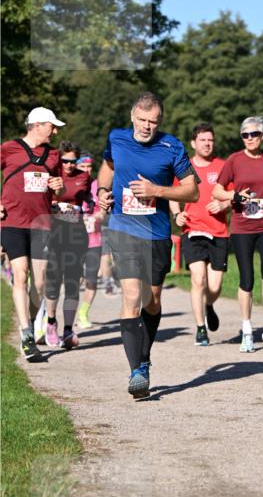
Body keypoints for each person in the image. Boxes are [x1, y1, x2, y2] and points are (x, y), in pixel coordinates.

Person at [97, 92, 199, 399]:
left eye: (153, 122)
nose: (146, 127)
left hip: (156, 233)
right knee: (131, 296)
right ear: (132, 117)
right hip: (124, 227)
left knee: (151, 300)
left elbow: (192, 191)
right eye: (142, 120)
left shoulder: (172, 146)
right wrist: (102, 190)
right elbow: (108, 167)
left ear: (160, 121)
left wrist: (157, 190)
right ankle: (137, 371)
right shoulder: (116, 138)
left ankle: (145, 356)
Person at [213, 116, 263, 354]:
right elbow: (217, 190)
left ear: (262, 136)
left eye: (254, 134)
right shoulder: (234, 160)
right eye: (245, 135)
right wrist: (235, 196)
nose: (250, 138)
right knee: (246, 278)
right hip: (243, 225)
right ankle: (246, 331)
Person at [0, 107, 65, 360]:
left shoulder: (54, 155)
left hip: (41, 224)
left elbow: (55, 190)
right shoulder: (9, 148)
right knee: (21, 275)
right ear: (37, 125)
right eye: (52, 125)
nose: (55, 130)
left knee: (39, 283)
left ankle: (30, 321)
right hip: (13, 222)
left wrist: (57, 188)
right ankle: (26, 334)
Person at [169, 123, 229, 346]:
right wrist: (177, 215)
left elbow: (234, 196)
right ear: (193, 143)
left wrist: (224, 205)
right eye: (203, 140)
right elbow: (174, 195)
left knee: (214, 287)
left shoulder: (223, 166)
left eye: (210, 140)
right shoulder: (185, 168)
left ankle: (209, 304)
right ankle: (200, 328)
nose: (207, 144)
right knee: (198, 279)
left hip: (219, 231)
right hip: (193, 230)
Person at [44, 141, 92, 349]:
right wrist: (52, 206)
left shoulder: (84, 177)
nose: (70, 165)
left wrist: (85, 208)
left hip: (76, 235)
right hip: (54, 235)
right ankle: (51, 323)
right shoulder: (50, 175)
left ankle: (68, 329)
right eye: (65, 161)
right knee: (53, 281)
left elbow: (88, 202)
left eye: (73, 161)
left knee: (73, 282)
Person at [77, 151, 104, 330]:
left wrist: (99, 215)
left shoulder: (97, 185)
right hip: (73, 241)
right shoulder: (71, 185)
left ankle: (83, 313)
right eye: (83, 166)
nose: (86, 170)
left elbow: (103, 209)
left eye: (89, 166)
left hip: (94, 240)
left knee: (91, 280)